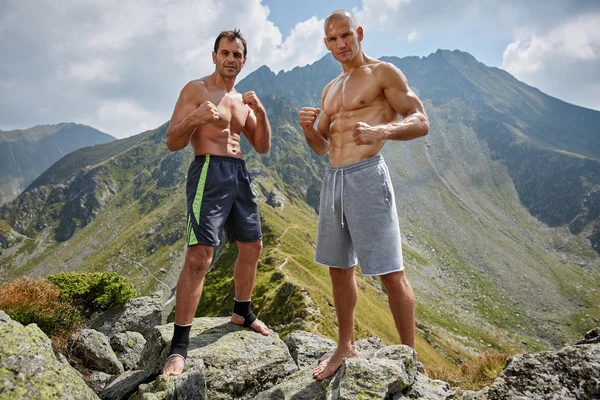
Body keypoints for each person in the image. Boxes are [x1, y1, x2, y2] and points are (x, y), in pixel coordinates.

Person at [299, 10, 429, 380]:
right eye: (332, 39)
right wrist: (308, 128)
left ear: (358, 33)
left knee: (390, 271)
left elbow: (421, 120)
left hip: (367, 176)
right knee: (339, 268)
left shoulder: (383, 73)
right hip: (333, 179)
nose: (340, 44)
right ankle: (346, 345)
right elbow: (321, 146)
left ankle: (409, 358)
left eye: (345, 36)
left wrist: (382, 132)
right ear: (326, 44)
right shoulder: (331, 88)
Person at [162, 29, 271, 376]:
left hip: (239, 172)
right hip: (208, 170)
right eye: (225, 53)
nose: (230, 59)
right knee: (200, 256)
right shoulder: (196, 89)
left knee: (252, 246)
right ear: (214, 56)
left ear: (243, 60)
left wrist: (262, 112)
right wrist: (195, 119)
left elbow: (262, 145)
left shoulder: (241, 100)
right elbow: (172, 141)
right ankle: (179, 347)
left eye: (237, 55)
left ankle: (242, 311)